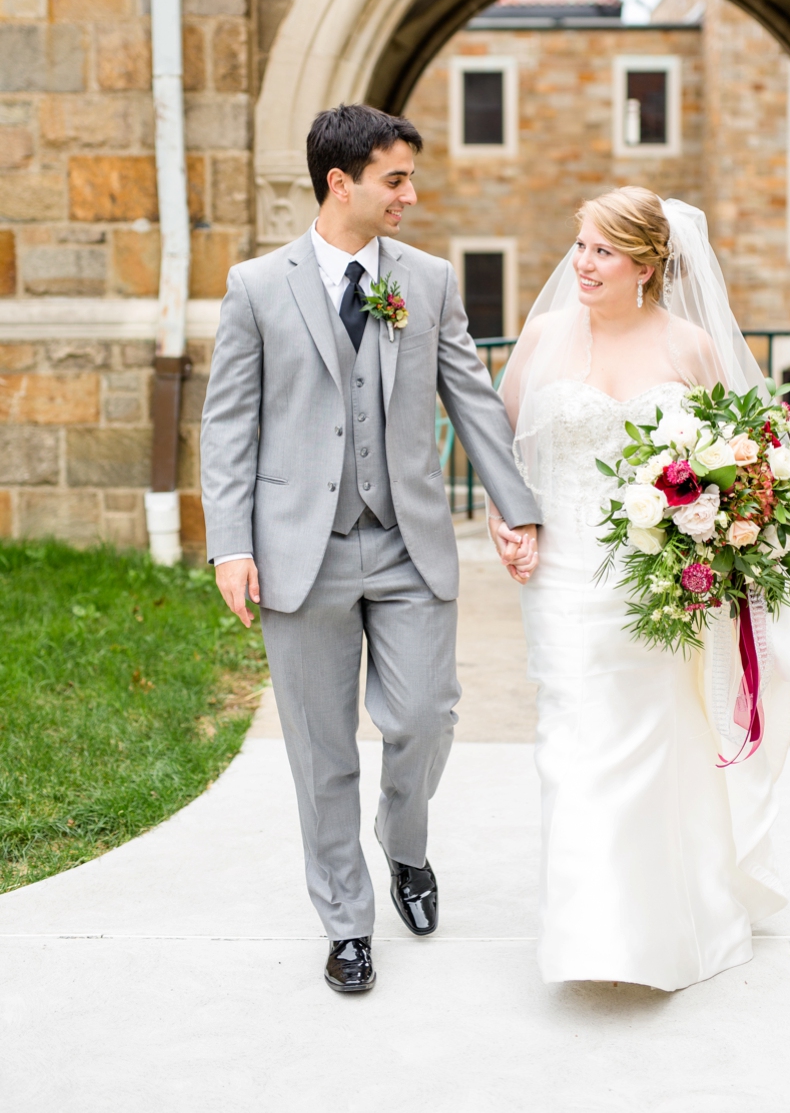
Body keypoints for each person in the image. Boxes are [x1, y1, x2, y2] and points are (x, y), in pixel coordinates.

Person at [201, 103, 542, 995]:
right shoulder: (257, 287)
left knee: (426, 715)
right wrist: (229, 543)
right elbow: (229, 425)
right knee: (321, 749)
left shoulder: (425, 282)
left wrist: (519, 507)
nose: (411, 195)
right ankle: (346, 922)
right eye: (395, 179)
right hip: (295, 550)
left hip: (408, 543)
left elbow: (470, 395)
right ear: (340, 182)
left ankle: (407, 844)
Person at [495, 187, 790, 992]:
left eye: (601, 251)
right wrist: (502, 517)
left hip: (656, 577)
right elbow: (503, 439)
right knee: (570, 737)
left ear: (648, 265)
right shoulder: (549, 332)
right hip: (558, 574)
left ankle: (666, 918)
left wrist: (715, 524)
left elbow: (750, 452)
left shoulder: (692, 346)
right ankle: (586, 932)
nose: (581, 264)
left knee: (655, 735)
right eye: (580, 245)